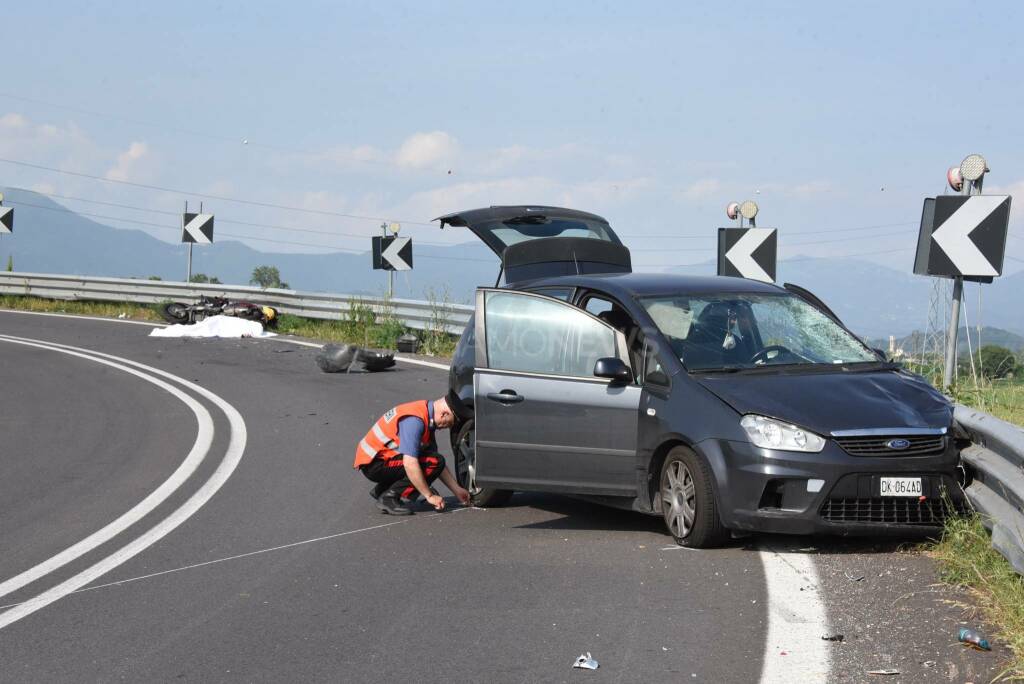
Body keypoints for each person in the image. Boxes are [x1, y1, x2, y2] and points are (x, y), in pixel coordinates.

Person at [354, 389, 472, 515]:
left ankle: (383, 489)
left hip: (379, 459)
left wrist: (457, 490)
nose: (446, 427)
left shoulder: (426, 413)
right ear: (444, 414)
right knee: (432, 462)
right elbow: (410, 463)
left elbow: (436, 462)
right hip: (374, 464)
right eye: (449, 423)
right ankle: (389, 497)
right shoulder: (415, 421)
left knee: (434, 460)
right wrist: (429, 495)